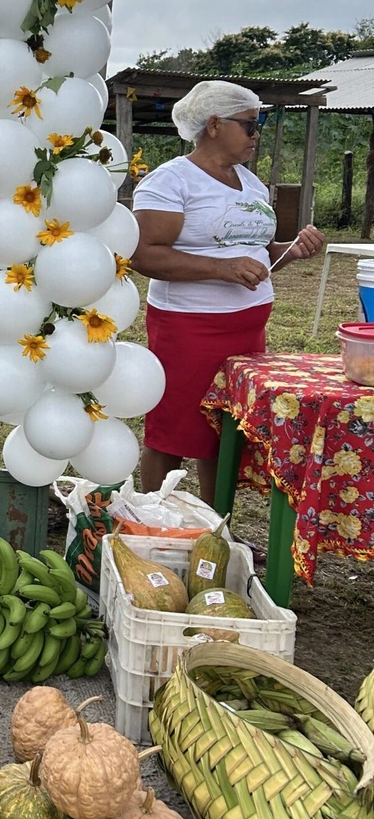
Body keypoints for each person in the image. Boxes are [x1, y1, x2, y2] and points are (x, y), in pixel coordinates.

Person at [131, 80, 325, 506]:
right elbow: (144, 254)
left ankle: (216, 529)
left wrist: (291, 251)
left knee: (226, 433)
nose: (257, 135)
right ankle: (150, 522)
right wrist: (221, 269)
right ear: (214, 125)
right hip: (188, 328)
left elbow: (256, 252)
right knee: (173, 430)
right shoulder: (171, 181)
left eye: (259, 126)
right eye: (250, 126)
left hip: (248, 332)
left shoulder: (251, 184)